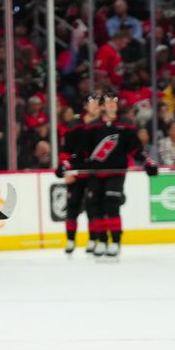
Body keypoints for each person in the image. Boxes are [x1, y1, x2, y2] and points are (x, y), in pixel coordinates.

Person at [78, 94, 158, 257]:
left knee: (111, 204)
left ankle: (115, 241)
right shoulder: (92, 127)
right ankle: (102, 240)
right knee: (97, 207)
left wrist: (148, 162)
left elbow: (135, 149)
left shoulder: (126, 126)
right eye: (108, 102)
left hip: (117, 172)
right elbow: (82, 151)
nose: (112, 104)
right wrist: (69, 164)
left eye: (114, 101)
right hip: (96, 173)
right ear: (101, 107)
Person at [56, 94, 103, 254]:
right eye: (93, 103)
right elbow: (65, 150)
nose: (96, 106)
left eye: (98, 104)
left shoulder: (102, 125)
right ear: (85, 106)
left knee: (93, 208)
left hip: (94, 173)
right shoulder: (74, 125)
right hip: (76, 172)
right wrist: (66, 171)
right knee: (72, 207)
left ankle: (93, 239)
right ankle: (70, 240)